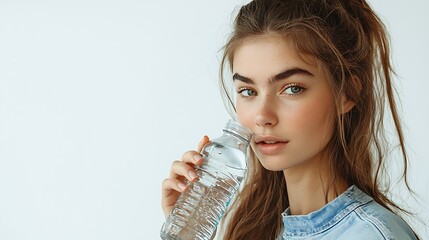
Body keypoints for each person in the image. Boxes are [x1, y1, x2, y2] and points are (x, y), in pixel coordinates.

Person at [161, 0, 420, 239]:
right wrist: (188, 227)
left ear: (347, 94)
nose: (262, 116)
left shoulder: (371, 235)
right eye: (248, 91)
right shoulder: (261, 229)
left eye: (292, 88)